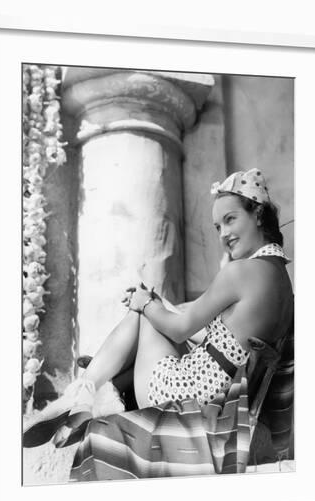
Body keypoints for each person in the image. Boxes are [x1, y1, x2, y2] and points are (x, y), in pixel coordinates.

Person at [23, 168, 294, 479]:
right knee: (157, 310)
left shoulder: (242, 272)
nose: (223, 234)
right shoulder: (280, 282)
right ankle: (91, 391)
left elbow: (180, 329)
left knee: (143, 318)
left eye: (230, 220)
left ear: (258, 215)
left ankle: (83, 394)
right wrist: (157, 304)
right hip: (217, 391)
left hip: (187, 394)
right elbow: (220, 341)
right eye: (218, 226)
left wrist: (145, 304)